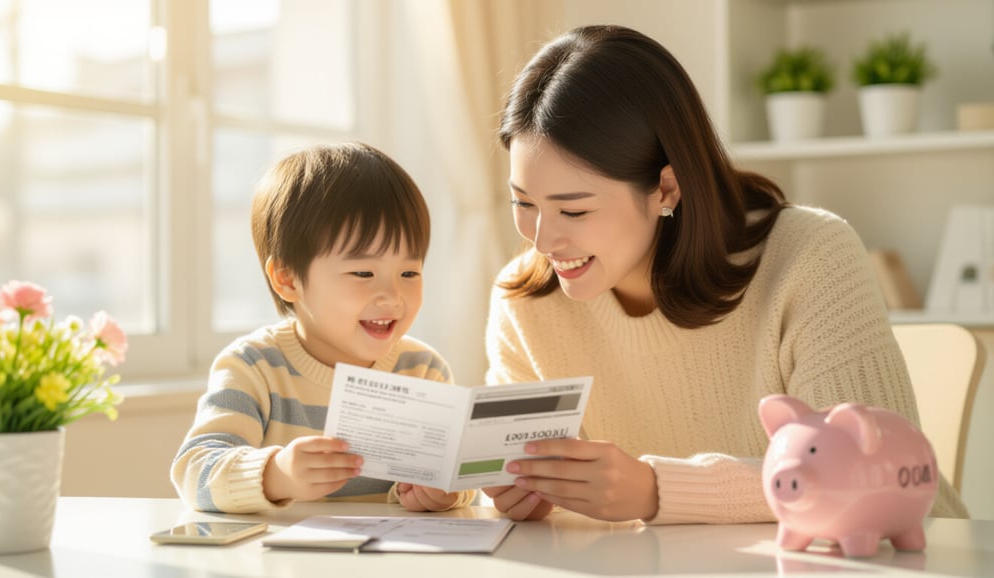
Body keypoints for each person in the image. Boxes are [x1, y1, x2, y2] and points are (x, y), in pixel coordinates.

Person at [481, 24, 968, 524]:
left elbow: (877, 477)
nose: (542, 240)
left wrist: (658, 491)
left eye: (574, 211)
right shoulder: (525, 304)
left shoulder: (810, 257)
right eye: (523, 202)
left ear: (666, 189)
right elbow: (518, 484)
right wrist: (486, 491)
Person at [172, 142, 473, 513]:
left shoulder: (422, 370)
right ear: (287, 279)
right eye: (363, 273)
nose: (393, 296)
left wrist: (443, 491)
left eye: (409, 273)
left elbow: (458, 478)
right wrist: (276, 474)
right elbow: (194, 472)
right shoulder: (253, 367)